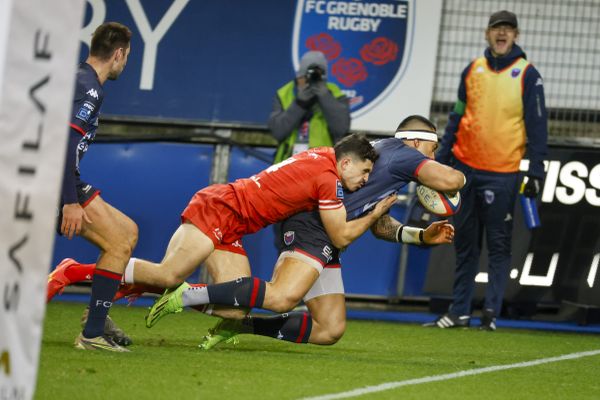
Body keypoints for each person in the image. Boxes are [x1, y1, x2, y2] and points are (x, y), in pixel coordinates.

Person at [146, 115, 466, 348]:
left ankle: (240, 326)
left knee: (330, 329)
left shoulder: (386, 164)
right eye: (433, 147)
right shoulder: (403, 153)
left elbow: (381, 225)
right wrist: (471, 175)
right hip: (313, 227)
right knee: (283, 296)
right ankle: (186, 295)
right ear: (414, 141)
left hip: (327, 235)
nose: (434, 156)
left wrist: (421, 236)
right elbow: (451, 181)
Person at [47, 135, 398, 324]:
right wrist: (377, 212)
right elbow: (340, 236)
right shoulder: (329, 178)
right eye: (364, 172)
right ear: (347, 162)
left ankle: (164, 292)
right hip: (219, 209)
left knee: (236, 307)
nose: (364, 181)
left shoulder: (321, 154)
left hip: (233, 225)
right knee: (167, 274)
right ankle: (72, 271)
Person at [431, 10, 548, 331]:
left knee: (498, 245)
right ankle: (458, 312)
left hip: (503, 173)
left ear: (516, 36)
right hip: (464, 170)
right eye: (497, 28)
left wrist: (535, 172)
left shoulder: (528, 74)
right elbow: (456, 118)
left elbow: (538, 129)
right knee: (465, 243)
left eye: (508, 29)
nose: (502, 34)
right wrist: (440, 161)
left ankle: (491, 314)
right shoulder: (472, 71)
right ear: (487, 33)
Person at [49, 22, 135, 352]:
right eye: (127, 56)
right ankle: (92, 331)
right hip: (54, 183)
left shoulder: (78, 78)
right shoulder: (90, 89)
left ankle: (95, 324)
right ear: (118, 54)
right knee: (120, 239)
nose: (125, 63)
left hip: (54, 179)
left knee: (125, 234)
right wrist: (69, 201)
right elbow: (66, 141)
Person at [269, 50, 350, 164]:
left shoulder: (334, 93)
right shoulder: (284, 93)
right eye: (309, 73)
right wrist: (299, 103)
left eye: (317, 74)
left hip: (322, 163)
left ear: (324, 75)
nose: (313, 77)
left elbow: (341, 129)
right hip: (287, 162)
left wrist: (325, 96)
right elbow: (278, 132)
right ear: (300, 74)